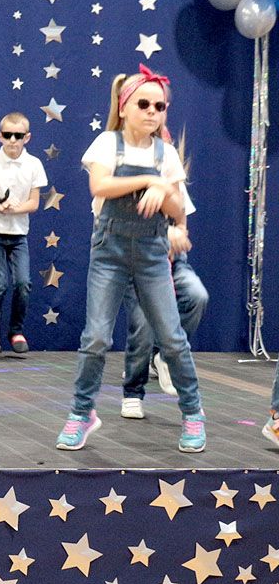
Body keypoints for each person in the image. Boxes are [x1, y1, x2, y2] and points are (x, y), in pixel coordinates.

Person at [55, 65, 205, 453]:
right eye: (144, 104)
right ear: (124, 107)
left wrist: (164, 190)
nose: (152, 111)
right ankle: (82, 413)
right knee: (96, 337)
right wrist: (150, 180)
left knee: (172, 338)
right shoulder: (108, 143)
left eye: (160, 106)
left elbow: (178, 211)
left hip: (152, 254)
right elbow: (100, 185)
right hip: (110, 252)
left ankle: (193, 413)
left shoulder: (166, 154)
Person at [119, 148, 209, 419]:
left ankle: (162, 356)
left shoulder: (174, 186)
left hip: (170, 261)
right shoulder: (124, 182)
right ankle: (133, 391)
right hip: (135, 261)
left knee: (196, 295)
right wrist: (161, 233)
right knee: (143, 324)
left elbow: (181, 224)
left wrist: (177, 235)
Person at [0, 111, 47, 356]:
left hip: (18, 233)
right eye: (8, 135)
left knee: (23, 282)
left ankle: (16, 331)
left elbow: (34, 203)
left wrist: (15, 208)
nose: (13, 140)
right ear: (0, 136)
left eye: (18, 135)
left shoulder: (34, 164)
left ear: (27, 137)